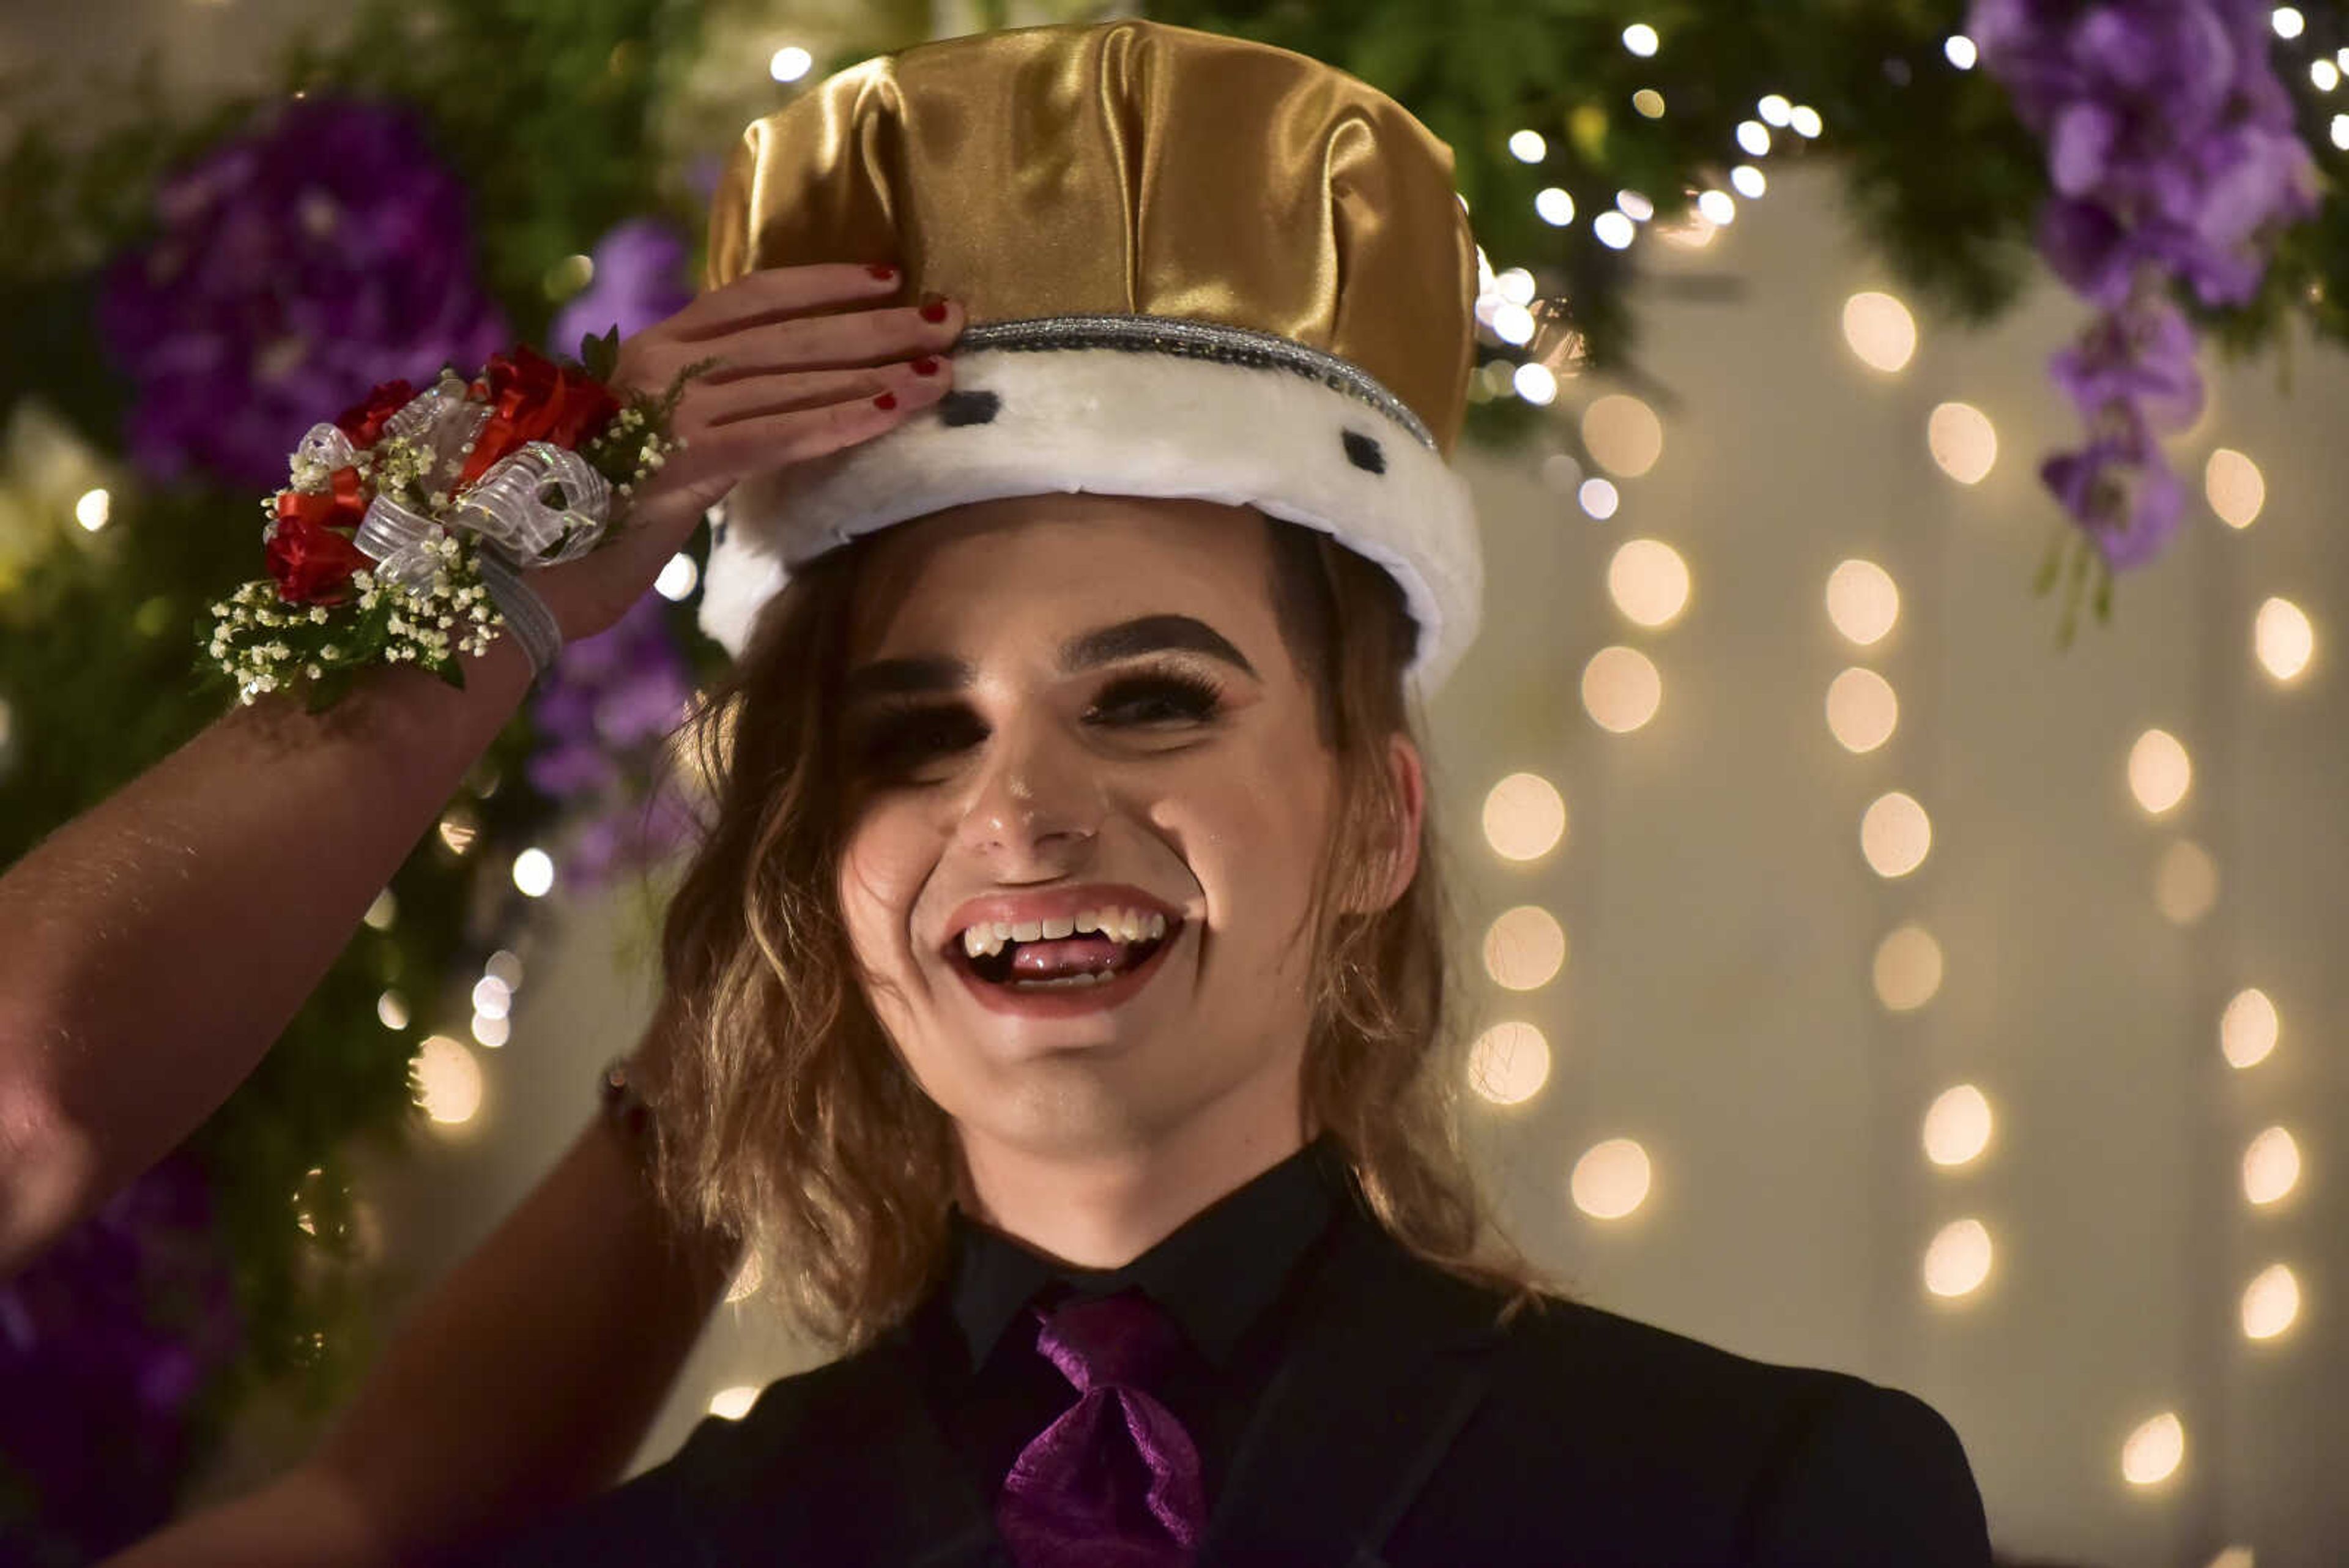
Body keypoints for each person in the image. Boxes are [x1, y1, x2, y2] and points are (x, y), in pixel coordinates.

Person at [97, 18, 1992, 1566]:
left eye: (1152, 699)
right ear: (819, 865)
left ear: (1379, 821)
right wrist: (518, 527)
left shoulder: (1764, 1498)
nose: (1019, 811)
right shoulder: (674, 1547)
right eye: (913, 736)